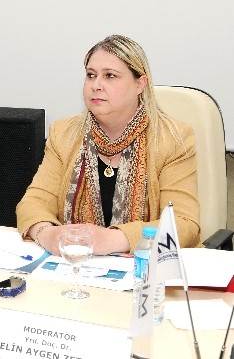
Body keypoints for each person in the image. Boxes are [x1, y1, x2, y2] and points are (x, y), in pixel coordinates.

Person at [16, 35, 200, 255]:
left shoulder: (173, 139)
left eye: (110, 76)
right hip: (75, 264)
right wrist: (47, 233)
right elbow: (33, 203)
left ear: (140, 84)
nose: (96, 85)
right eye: (91, 75)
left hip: (147, 266)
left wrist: (112, 239)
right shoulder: (64, 133)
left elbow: (183, 224)